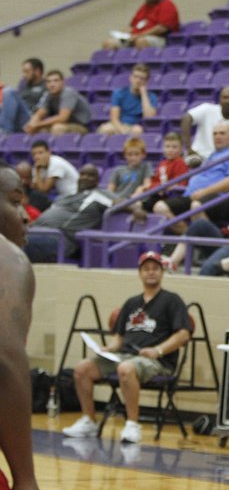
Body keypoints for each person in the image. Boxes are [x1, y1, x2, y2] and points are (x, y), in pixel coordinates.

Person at [62, 251, 191, 444]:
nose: (151, 273)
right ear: (139, 273)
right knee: (82, 368)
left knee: (126, 369)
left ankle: (132, 424)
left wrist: (158, 350)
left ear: (162, 272)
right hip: (124, 355)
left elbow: (183, 334)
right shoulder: (132, 303)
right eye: (146, 269)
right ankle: (89, 420)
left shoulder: (172, 300)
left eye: (155, 269)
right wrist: (108, 348)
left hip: (156, 361)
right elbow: (119, 337)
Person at [0, 162, 40, 490]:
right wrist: (25, 478)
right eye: (14, 202)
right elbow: (5, 359)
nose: (25, 215)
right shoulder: (8, 258)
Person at [153, 122, 229, 234]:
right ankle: (188, 236)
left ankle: (204, 244)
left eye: (222, 133)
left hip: (225, 200)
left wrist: (204, 192)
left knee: (197, 206)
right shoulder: (213, 155)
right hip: (196, 196)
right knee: (160, 207)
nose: (218, 137)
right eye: (215, 134)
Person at [25, 164, 115, 262]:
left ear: (97, 181)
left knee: (21, 243)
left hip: (61, 239)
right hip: (38, 231)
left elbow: (123, 203)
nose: (85, 177)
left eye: (90, 175)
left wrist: (134, 209)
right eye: (82, 174)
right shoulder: (65, 196)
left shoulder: (99, 194)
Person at [130, 132, 188, 217]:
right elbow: (154, 181)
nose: (170, 150)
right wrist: (146, 188)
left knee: (138, 205)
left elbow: (180, 184)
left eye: (174, 147)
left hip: (169, 197)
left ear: (180, 149)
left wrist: (164, 188)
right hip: (157, 195)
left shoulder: (180, 163)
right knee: (135, 203)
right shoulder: (162, 163)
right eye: (167, 146)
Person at [24, 70, 91, 136]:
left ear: (62, 82)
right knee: (39, 130)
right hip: (64, 125)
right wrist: (31, 124)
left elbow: (63, 118)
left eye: (56, 81)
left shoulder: (68, 93)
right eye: (48, 82)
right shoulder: (48, 95)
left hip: (81, 127)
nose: (52, 84)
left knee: (57, 128)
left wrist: (38, 124)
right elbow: (40, 113)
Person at [97, 64, 157, 137]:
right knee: (105, 129)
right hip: (119, 125)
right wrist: (122, 130)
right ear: (130, 78)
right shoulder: (119, 93)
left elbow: (149, 118)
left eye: (142, 78)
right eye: (135, 77)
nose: (138, 81)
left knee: (137, 130)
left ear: (146, 81)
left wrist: (144, 94)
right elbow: (114, 118)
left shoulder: (151, 97)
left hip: (135, 127)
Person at [102, 0, 180, 50]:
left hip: (158, 38)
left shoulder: (167, 4)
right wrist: (122, 34)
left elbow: (162, 28)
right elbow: (132, 26)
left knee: (140, 42)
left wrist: (139, 35)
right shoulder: (145, 7)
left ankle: (141, 68)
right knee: (109, 43)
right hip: (135, 37)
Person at [0, 58, 45, 134]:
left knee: (8, 91)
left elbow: (44, 106)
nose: (24, 75)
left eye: (27, 71)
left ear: (37, 71)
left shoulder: (47, 85)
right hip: (19, 116)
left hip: (32, 116)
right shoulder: (23, 85)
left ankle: (4, 132)